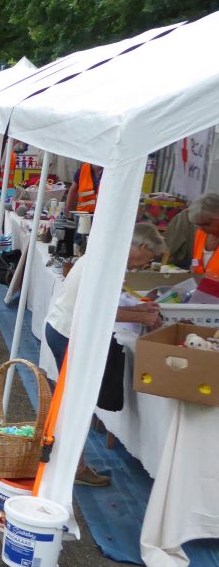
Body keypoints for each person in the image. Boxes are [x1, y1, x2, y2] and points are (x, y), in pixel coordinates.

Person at [43, 223, 166, 487]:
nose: (147, 264)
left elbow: (102, 306)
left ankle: (70, 462)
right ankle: (72, 467)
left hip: (63, 329)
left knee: (72, 401)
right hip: (69, 334)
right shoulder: (109, 263)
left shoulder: (106, 255)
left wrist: (141, 313)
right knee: (77, 404)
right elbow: (98, 309)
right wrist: (141, 315)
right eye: (150, 258)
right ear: (142, 247)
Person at [186, 193, 219, 276]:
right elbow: (196, 264)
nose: (201, 229)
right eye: (198, 225)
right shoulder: (201, 233)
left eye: (206, 224)